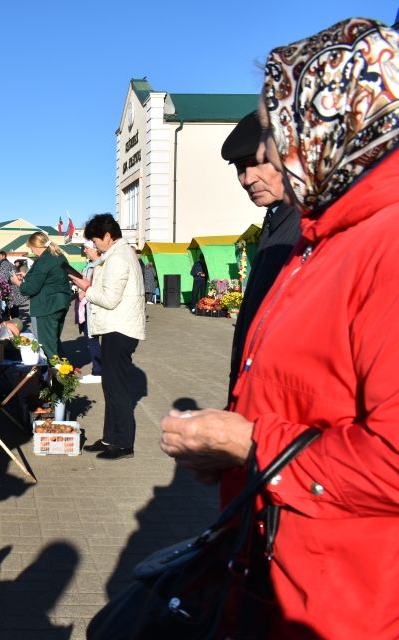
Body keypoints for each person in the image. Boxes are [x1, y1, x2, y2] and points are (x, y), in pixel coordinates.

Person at [160, 18, 399, 637]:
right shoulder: (321, 239)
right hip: (282, 570)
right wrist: (232, 452)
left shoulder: (387, 244)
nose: (270, 153)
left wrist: (250, 444)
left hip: (346, 600)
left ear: (335, 119)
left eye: (279, 126)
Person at [220, 111, 301, 397]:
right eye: (241, 168)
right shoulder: (275, 219)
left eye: (258, 162)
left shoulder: (307, 227)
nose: (247, 178)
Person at [69, 214, 145, 460]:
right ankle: (110, 437)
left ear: (108, 237)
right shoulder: (115, 256)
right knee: (110, 386)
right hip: (116, 327)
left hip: (120, 329)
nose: (94, 245)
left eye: (96, 240)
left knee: (118, 389)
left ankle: (123, 444)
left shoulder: (118, 259)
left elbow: (109, 300)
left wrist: (86, 289)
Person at [9, 231, 73, 360]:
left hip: (47, 306)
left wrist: (18, 283)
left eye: (31, 248)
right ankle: (64, 372)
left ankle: (60, 376)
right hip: (60, 303)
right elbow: (52, 278)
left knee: (47, 346)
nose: (32, 251)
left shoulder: (44, 260)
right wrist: (28, 276)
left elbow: (31, 289)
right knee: (54, 341)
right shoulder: (58, 256)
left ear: (36, 245)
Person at [75, 240, 103, 384]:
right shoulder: (90, 265)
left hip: (93, 308)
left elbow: (96, 286)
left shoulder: (98, 265)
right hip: (87, 307)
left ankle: (98, 372)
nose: (84, 251)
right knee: (90, 339)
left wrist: (83, 293)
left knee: (93, 340)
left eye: (86, 248)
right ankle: (99, 370)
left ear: (94, 249)